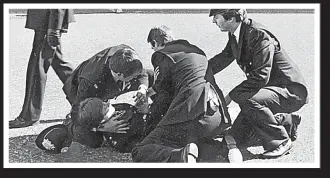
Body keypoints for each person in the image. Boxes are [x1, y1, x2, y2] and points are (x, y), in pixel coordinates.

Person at [208, 9, 308, 158]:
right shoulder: (237, 32)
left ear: (230, 18)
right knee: (237, 137)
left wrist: (229, 97)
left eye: (216, 17)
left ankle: (281, 141)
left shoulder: (259, 35)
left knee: (246, 98)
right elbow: (224, 58)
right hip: (270, 89)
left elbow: (261, 76)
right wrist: (198, 71)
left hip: (290, 91)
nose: (213, 21)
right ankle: (287, 121)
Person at [131, 25, 234, 163]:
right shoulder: (196, 51)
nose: (153, 50)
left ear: (155, 43)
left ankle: (180, 156)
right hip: (217, 118)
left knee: (140, 151)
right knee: (185, 139)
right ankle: (222, 147)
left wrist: (150, 117)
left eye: (152, 47)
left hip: (192, 115)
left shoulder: (162, 55)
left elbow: (163, 94)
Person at [10, 9, 75, 129]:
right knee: (58, 62)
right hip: (48, 20)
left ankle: (30, 116)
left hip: (49, 21)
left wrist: (54, 28)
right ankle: (87, 101)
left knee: (37, 67)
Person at [62, 44, 153, 111]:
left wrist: (143, 89)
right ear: (119, 75)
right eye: (133, 77)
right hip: (80, 90)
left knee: (153, 75)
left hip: (112, 82)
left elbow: (142, 73)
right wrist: (104, 126)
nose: (136, 77)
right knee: (89, 116)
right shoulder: (90, 81)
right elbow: (77, 111)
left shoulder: (128, 55)